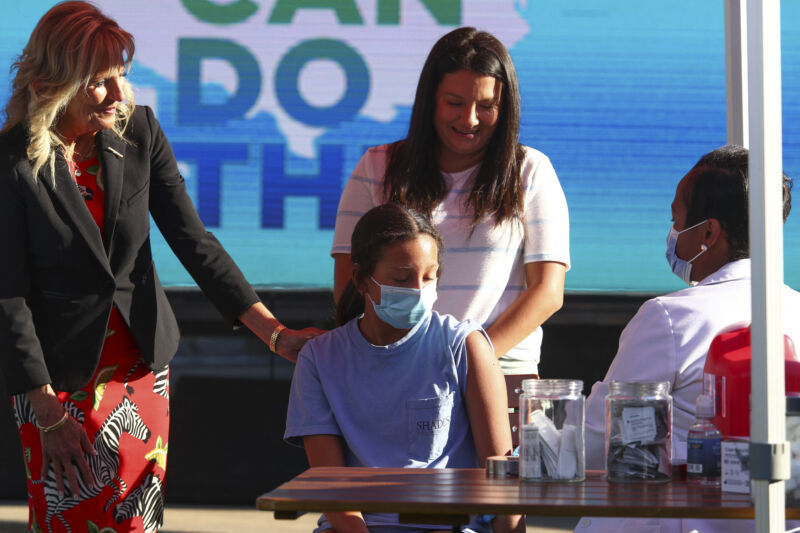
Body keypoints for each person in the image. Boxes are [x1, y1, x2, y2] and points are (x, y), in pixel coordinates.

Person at [0, 3, 321, 532]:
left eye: (122, 76)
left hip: (141, 372)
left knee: (136, 523)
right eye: (100, 82)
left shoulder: (140, 131)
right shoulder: (13, 161)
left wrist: (276, 334)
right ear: (58, 80)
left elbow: (193, 241)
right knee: (68, 522)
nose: (120, 93)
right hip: (56, 387)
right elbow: (8, 295)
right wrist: (45, 407)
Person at [576, 145, 800, 533]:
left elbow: (599, 436)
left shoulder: (670, 317)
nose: (672, 235)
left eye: (676, 220)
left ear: (709, 233)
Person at [331, 27, 570, 376]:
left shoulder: (530, 171)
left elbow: (548, 291)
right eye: (455, 103)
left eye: (486, 105)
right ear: (430, 100)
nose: (469, 119)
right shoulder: (377, 167)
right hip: (395, 371)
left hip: (501, 372)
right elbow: (348, 288)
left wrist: (473, 361)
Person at [286, 203, 523, 533]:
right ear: (360, 280)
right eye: (401, 278)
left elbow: (501, 476)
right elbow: (332, 484)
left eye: (429, 277)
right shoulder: (319, 358)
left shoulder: (464, 345)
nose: (418, 290)